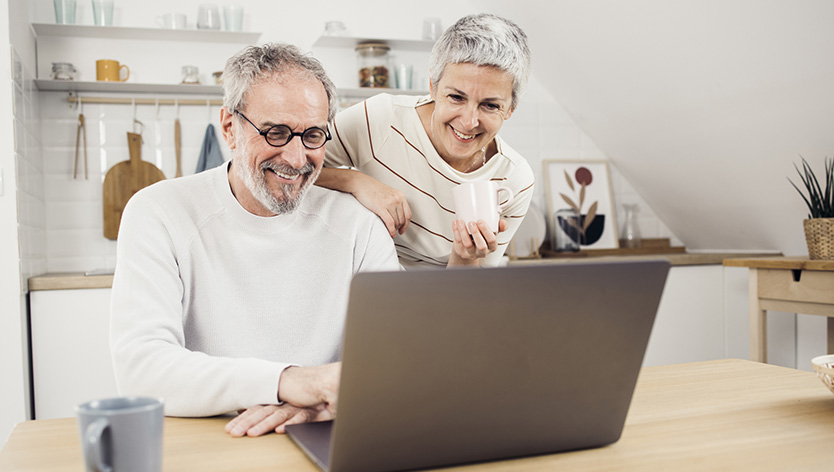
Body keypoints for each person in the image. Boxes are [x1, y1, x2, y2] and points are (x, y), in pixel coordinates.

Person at [109, 43, 400, 438]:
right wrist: (287, 382)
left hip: (324, 433)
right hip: (208, 440)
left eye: (313, 135)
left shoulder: (360, 226)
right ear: (229, 126)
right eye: (276, 133)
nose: (297, 159)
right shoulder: (159, 211)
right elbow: (141, 369)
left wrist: (320, 406)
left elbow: (397, 360)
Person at [315, 13, 535, 269]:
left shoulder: (515, 180)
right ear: (432, 87)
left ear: (510, 109)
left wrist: (466, 256)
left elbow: (467, 293)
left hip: (438, 300)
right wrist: (354, 180)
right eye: (456, 97)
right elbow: (292, 172)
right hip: (364, 283)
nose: (468, 121)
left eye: (490, 105)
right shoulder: (381, 118)